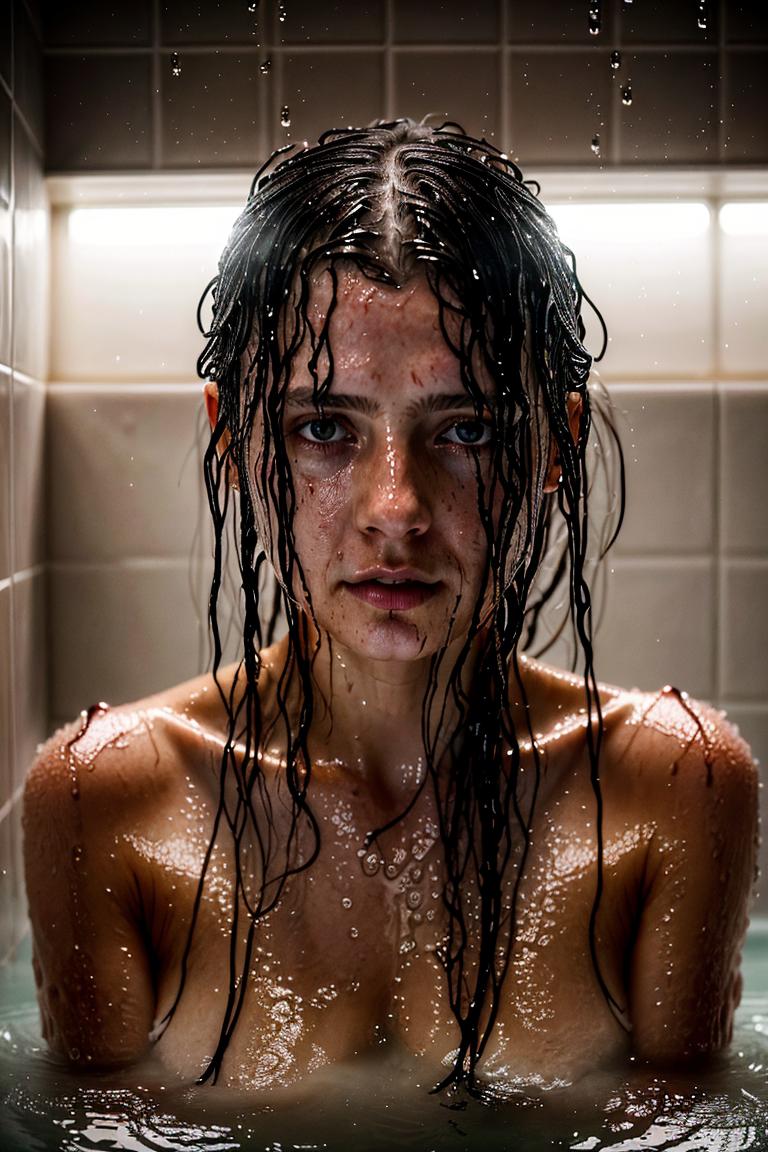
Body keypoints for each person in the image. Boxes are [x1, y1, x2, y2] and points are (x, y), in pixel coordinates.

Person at [23, 119, 758, 1097]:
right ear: (233, 442)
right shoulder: (107, 800)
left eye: (468, 430)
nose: (396, 509)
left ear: (555, 444)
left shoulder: (672, 790)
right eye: (325, 428)